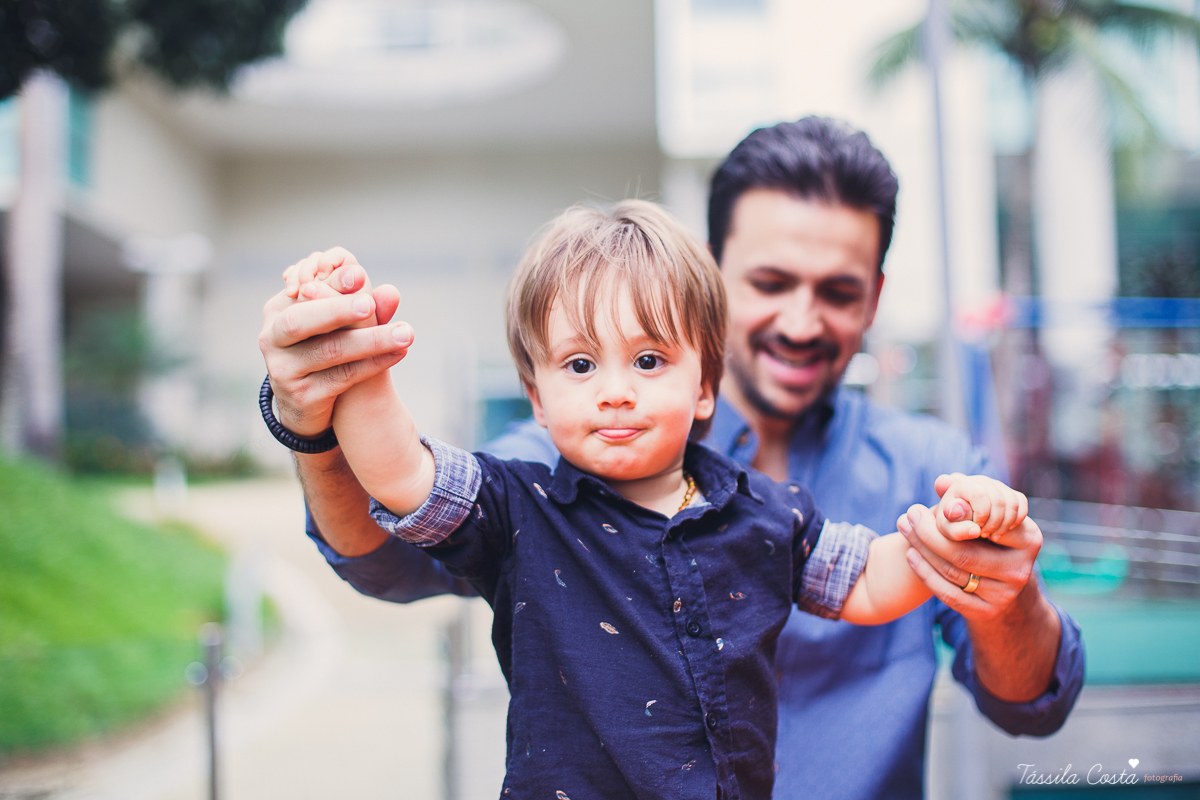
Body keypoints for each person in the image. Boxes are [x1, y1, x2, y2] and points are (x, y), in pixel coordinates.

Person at [257, 117, 1085, 799]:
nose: (615, 391)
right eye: (581, 364)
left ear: (702, 379)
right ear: (537, 397)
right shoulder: (528, 495)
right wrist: (345, 374)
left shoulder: (795, 502)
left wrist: (960, 537)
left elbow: (872, 581)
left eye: (648, 360)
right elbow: (399, 497)